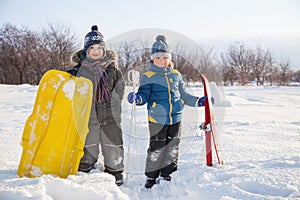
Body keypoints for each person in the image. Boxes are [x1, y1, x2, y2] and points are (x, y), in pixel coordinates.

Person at [127, 35, 208, 188]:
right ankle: (151, 177)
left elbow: (183, 95)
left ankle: (168, 173)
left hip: (176, 118)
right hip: (157, 119)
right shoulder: (148, 76)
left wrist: (198, 101)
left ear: (169, 58)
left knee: (172, 146)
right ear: (153, 59)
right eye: (157, 58)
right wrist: (137, 99)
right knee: (156, 148)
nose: (161, 60)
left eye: (164, 57)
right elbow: (144, 95)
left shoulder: (176, 75)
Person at [67, 25, 125, 186]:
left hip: (110, 116)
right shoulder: (78, 70)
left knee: (112, 144)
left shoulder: (113, 70)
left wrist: (113, 104)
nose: (96, 51)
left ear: (104, 50)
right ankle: (85, 168)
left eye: (99, 47)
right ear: (86, 50)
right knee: (88, 143)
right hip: (88, 116)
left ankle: (115, 172)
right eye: (92, 48)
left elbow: (119, 91)